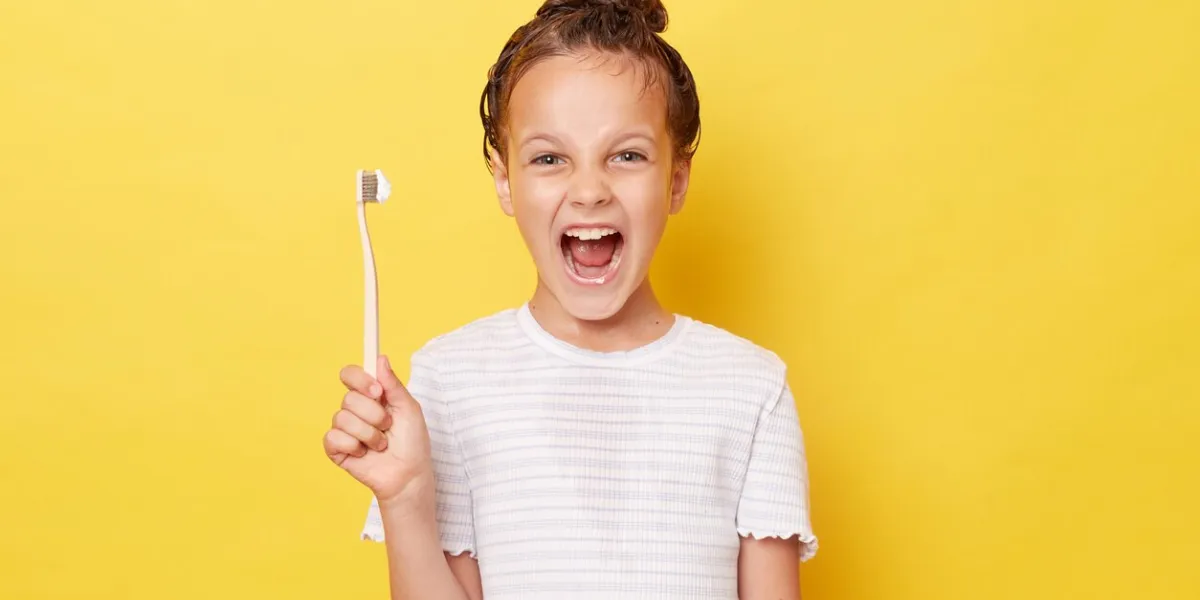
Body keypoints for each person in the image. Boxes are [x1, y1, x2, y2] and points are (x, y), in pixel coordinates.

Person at [322, 1, 818, 597]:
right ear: (505, 181)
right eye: (549, 158)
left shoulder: (751, 391)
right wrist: (405, 499)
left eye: (627, 155)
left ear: (676, 181)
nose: (589, 192)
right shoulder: (450, 383)